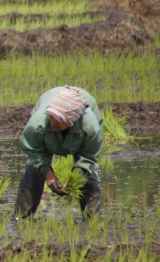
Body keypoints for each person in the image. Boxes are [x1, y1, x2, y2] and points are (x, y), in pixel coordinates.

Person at [14, 86, 103, 219]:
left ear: (71, 121)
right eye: (51, 117)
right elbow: (33, 150)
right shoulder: (38, 124)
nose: (53, 123)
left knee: (88, 175)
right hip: (48, 106)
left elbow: (88, 158)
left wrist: (74, 178)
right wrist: (47, 172)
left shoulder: (90, 128)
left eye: (59, 120)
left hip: (84, 124)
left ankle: (92, 220)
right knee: (34, 170)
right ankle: (21, 218)